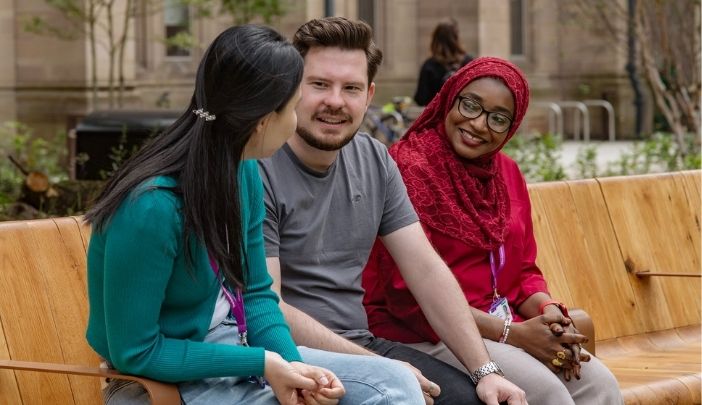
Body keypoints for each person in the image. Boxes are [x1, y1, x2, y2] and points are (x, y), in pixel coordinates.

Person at [84, 24, 425, 405]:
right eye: (294, 105)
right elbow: (137, 352)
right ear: (263, 119)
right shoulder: (151, 206)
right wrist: (263, 362)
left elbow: (258, 295)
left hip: (237, 349)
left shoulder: (242, 169)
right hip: (155, 379)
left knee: (396, 384)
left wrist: (296, 371)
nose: (297, 120)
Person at [259, 17, 527, 405]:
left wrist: (485, 371)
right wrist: (381, 369)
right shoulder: (258, 165)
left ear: (368, 96)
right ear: (290, 88)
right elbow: (268, 308)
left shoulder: (374, 160)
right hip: (289, 357)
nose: (335, 101)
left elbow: (426, 270)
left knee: (474, 400)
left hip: (361, 342)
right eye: (319, 84)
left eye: (350, 88)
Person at [363, 56, 624, 405]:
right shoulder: (410, 168)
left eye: (498, 119)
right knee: (546, 394)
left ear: (511, 127)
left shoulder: (507, 173)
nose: (478, 124)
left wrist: (549, 313)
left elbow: (525, 272)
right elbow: (408, 299)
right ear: (449, 97)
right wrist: (514, 334)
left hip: (507, 327)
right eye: (470, 105)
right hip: (430, 331)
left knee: (600, 384)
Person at [414, 18, 473, 106]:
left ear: (435, 39)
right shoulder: (469, 63)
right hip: (462, 115)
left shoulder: (429, 65)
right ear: (456, 37)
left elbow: (421, 98)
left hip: (438, 117)